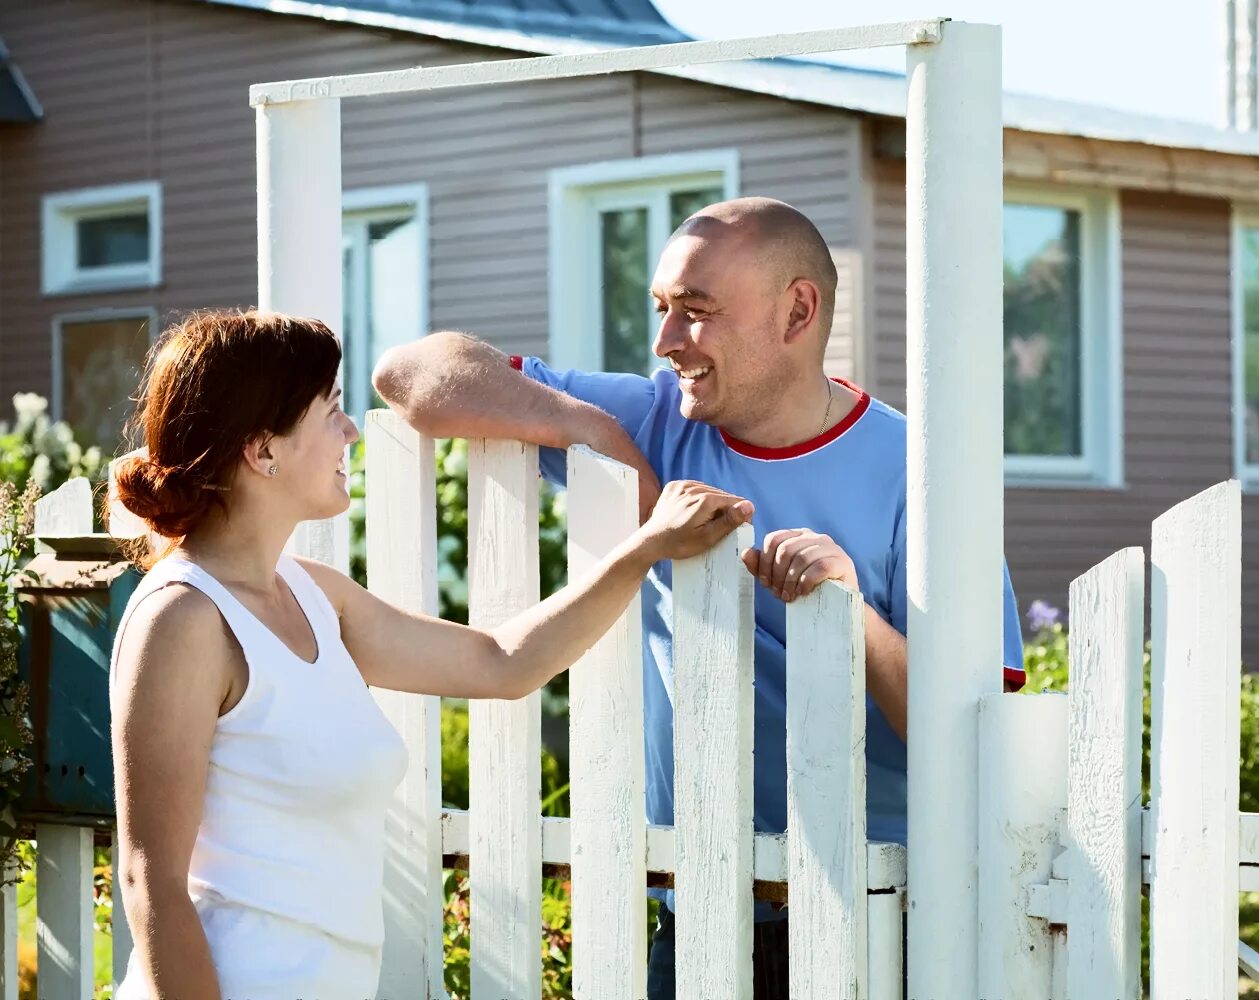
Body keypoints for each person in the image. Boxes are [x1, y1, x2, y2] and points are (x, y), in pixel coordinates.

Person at [373, 197, 1024, 998]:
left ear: (797, 311)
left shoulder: (921, 475)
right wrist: (599, 434)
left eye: (697, 312)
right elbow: (411, 373)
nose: (665, 341)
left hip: (882, 915)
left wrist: (845, 611)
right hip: (698, 900)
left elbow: (973, 737)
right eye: (662, 309)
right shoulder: (653, 419)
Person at [108, 309, 752, 1000]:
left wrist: (646, 547)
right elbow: (153, 880)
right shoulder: (182, 618)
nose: (350, 429)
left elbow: (503, 661)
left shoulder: (310, 594)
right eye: (329, 411)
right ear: (263, 451)